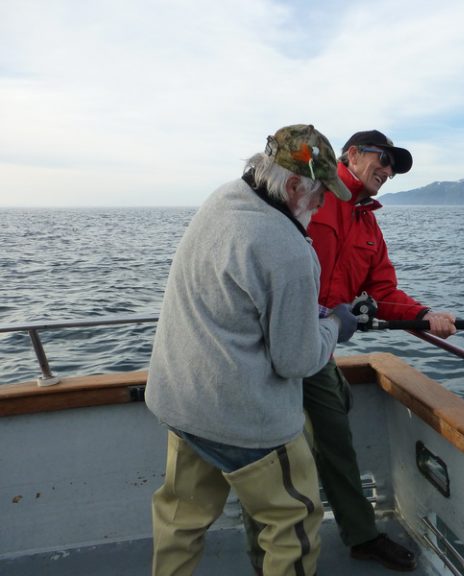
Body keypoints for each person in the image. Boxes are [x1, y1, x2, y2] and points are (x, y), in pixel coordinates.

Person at [145, 124, 359, 576]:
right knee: (294, 521)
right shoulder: (290, 250)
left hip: (182, 401)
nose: (322, 206)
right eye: (321, 193)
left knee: (180, 520)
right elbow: (297, 360)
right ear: (295, 186)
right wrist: (336, 325)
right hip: (244, 418)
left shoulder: (222, 199)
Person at [305, 130, 456, 570]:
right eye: (384, 159)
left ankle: (361, 535)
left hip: (318, 350)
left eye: (394, 167)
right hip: (272, 346)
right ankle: (281, 547)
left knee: (337, 429)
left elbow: (384, 292)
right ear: (352, 154)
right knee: (279, 453)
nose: (388, 171)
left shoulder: (369, 224)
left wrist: (424, 316)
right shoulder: (310, 195)